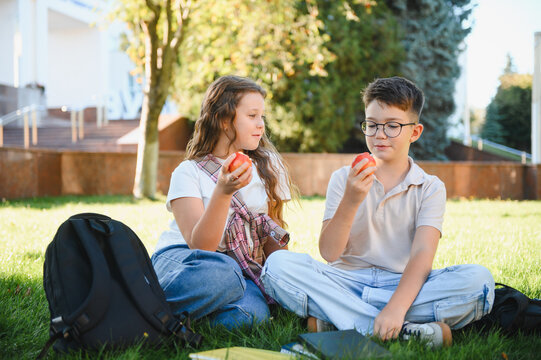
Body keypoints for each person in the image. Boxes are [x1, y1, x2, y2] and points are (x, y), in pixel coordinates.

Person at [261, 76, 495, 348]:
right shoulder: (343, 179)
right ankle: (403, 330)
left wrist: (395, 308)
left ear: (415, 132)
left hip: (401, 285)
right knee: (278, 266)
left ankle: (338, 319)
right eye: (371, 125)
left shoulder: (430, 187)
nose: (379, 134)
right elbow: (329, 253)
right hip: (344, 281)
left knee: (480, 281)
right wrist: (352, 198)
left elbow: (422, 255)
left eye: (392, 126)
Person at [151, 75, 296, 329]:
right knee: (225, 273)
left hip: (241, 271)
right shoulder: (189, 172)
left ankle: (175, 321)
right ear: (224, 120)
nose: (261, 125)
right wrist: (223, 191)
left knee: (252, 316)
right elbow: (201, 247)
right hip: (184, 262)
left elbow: (273, 239)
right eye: (252, 116)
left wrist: (282, 280)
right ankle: (144, 307)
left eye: (262, 116)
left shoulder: (269, 166)